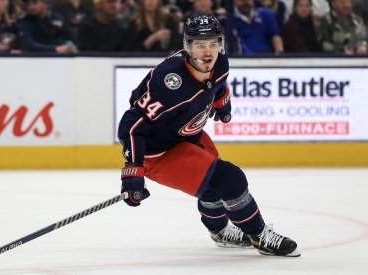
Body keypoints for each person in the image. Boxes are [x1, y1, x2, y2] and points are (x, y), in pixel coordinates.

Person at [117, 14, 300, 257]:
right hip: (159, 152)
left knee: (213, 186)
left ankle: (220, 231)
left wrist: (222, 103)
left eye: (213, 44)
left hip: (186, 134)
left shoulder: (220, 63)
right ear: (188, 47)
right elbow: (130, 126)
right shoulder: (169, 84)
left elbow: (219, 83)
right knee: (230, 178)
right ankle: (259, 235)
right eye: (200, 45)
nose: (208, 52)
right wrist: (133, 172)